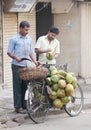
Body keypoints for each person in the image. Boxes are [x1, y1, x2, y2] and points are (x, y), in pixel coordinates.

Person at [7, 21, 39, 114]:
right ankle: (18, 107)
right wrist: (16, 58)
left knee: (25, 86)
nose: (27, 31)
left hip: (26, 66)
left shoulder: (29, 39)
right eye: (25, 29)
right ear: (20, 28)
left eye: (28, 29)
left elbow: (31, 52)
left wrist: (35, 61)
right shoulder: (14, 39)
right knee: (17, 86)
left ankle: (25, 105)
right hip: (16, 66)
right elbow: (9, 52)